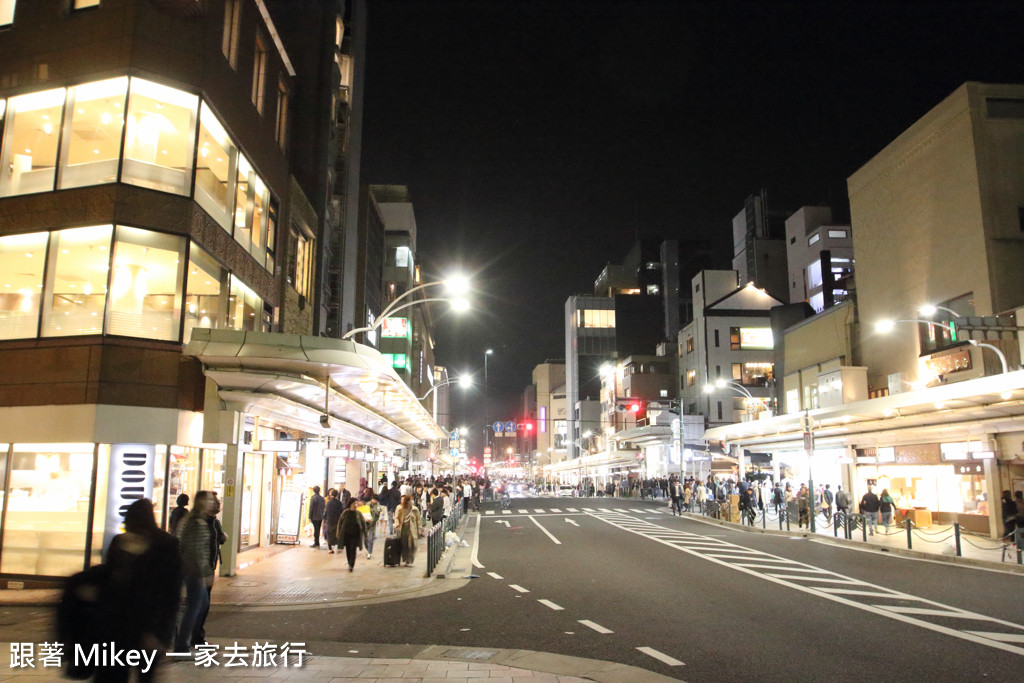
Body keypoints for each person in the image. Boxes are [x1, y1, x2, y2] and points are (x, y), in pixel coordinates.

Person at [95, 499, 181, 683]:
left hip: (122, 625)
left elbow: (108, 579)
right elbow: (171, 593)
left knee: (119, 674)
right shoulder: (167, 544)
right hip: (143, 625)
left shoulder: (123, 542)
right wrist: (161, 634)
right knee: (143, 676)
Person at [175, 490, 214, 652]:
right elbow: (196, 551)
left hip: (192, 570)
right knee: (194, 607)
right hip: (193, 571)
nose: (212, 502)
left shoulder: (196, 519)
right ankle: (182, 646)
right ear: (203, 502)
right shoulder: (196, 522)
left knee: (201, 604)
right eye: (210, 500)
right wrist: (205, 573)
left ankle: (188, 640)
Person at [191, 492, 226, 648]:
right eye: (213, 501)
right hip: (197, 571)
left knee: (202, 606)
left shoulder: (213, 521)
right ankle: (190, 641)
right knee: (198, 606)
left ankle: (196, 638)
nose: (217, 504)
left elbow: (219, 538)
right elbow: (195, 548)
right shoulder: (197, 522)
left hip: (208, 568)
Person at [336, 498, 367, 572]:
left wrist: (366, 534)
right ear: (350, 504)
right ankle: (349, 562)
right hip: (346, 534)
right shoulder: (345, 513)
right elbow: (340, 523)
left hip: (355, 535)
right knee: (348, 549)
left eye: (356, 504)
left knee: (353, 549)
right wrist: (338, 533)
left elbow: (363, 524)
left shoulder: (358, 513)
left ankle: (351, 564)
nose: (356, 505)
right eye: (354, 504)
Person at [395, 494, 421, 566]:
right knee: (404, 544)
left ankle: (410, 558)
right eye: (410, 500)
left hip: (412, 528)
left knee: (413, 544)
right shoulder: (399, 508)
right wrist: (397, 523)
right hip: (403, 528)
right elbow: (396, 517)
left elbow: (418, 520)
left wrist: (419, 528)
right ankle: (406, 559)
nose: (411, 502)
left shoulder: (415, 509)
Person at [324, 490, 344, 554]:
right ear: (337, 495)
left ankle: (330, 548)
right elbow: (341, 512)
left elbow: (326, 512)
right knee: (337, 533)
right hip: (337, 520)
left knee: (329, 533)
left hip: (329, 520)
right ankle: (338, 547)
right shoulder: (339, 503)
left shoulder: (329, 502)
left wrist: (325, 518)